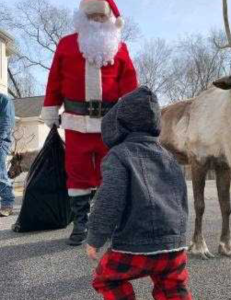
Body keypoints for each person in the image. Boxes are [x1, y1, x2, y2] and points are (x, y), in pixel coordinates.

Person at [41, 0, 138, 246]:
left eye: (100, 16)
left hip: (110, 125)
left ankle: (109, 222)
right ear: (82, 17)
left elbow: (129, 86)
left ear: (110, 20)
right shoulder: (65, 45)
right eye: (91, 15)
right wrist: (51, 109)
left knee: (111, 173)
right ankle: (81, 223)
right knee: (77, 172)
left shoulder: (120, 48)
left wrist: (132, 115)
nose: (96, 20)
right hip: (75, 123)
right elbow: (54, 80)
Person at [86, 86, 192, 300]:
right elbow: (180, 200)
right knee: (171, 285)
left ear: (118, 124)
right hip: (174, 246)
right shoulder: (169, 156)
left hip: (134, 246)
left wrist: (95, 238)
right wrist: (179, 236)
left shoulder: (119, 155)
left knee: (106, 278)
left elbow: (109, 201)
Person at [0, 93, 15, 217]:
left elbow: (7, 122)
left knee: (0, 173)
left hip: (1, 141)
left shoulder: (4, 100)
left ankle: (7, 203)